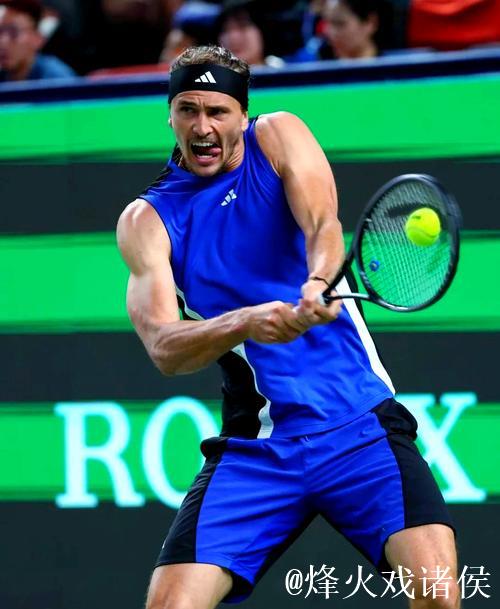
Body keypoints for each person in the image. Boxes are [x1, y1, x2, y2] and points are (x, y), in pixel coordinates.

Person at [117, 45, 460, 609]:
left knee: (439, 595)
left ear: (242, 114)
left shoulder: (277, 136)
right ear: (170, 114)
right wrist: (247, 321)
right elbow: (163, 346)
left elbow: (323, 223)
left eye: (218, 111)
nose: (202, 127)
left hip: (358, 425)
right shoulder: (147, 220)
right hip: (259, 447)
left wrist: (319, 281)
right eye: (187, 110)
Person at [0, 0, 75, 82]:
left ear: (37, 39)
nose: (3, 41)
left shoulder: (58, 79)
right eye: (0, 31)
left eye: (13, 32)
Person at [320, 0, 393, 60]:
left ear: (370, 23)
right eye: (327, 23)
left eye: (339, 23)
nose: (330, 32)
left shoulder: (392, 71)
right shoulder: (319, 66)